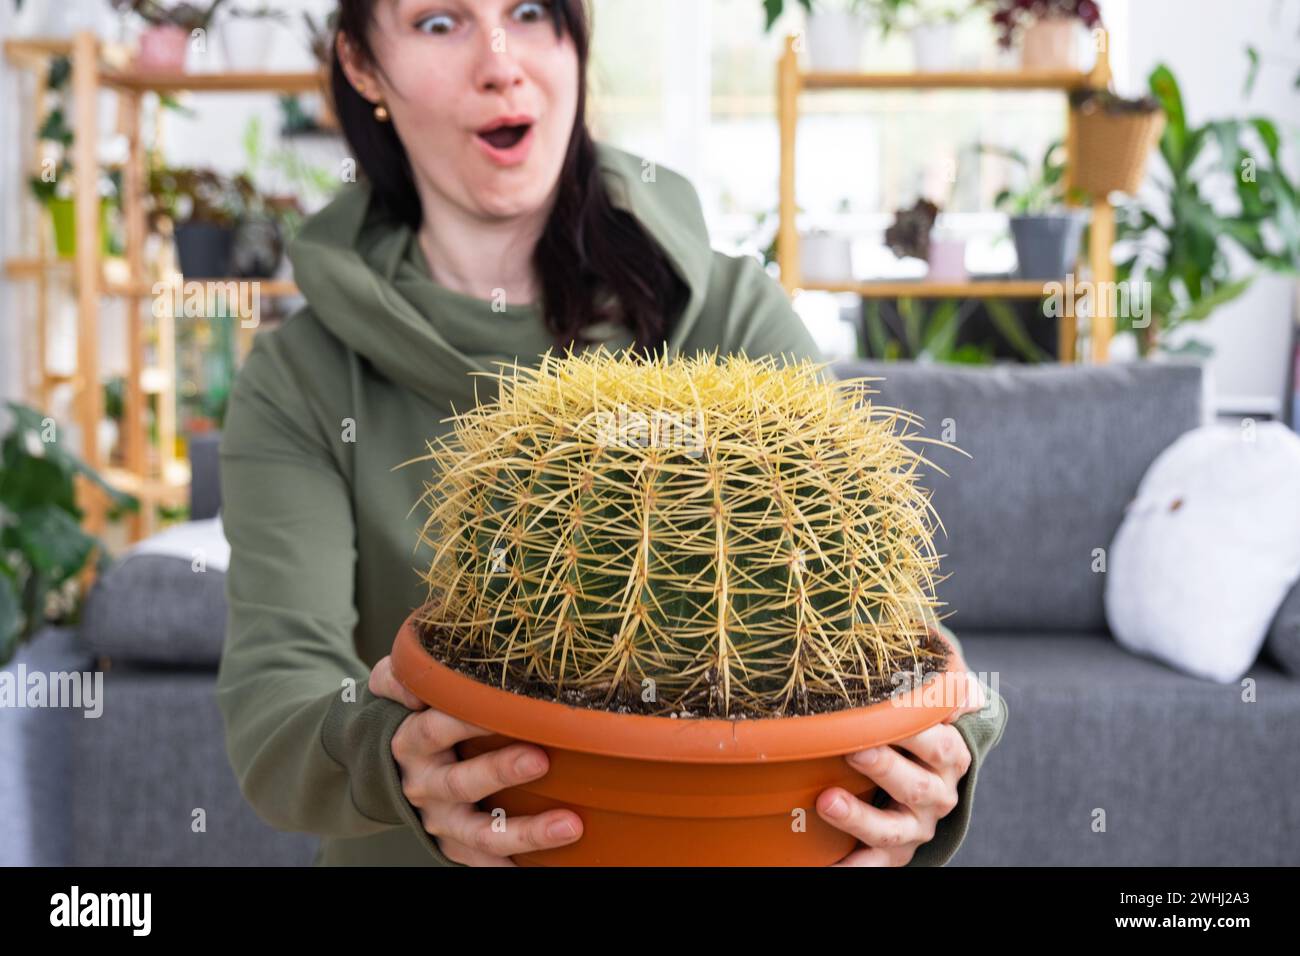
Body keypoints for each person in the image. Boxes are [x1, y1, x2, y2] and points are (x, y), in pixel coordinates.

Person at [215, 0, 1008, 867]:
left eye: (529, 12)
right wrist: (386, 759)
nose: (500, 60)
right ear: (363, 66)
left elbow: (886, 639)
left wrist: (936, 770)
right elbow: (276, 713)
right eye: (438, 22)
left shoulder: (729, 313)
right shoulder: (302, 377)